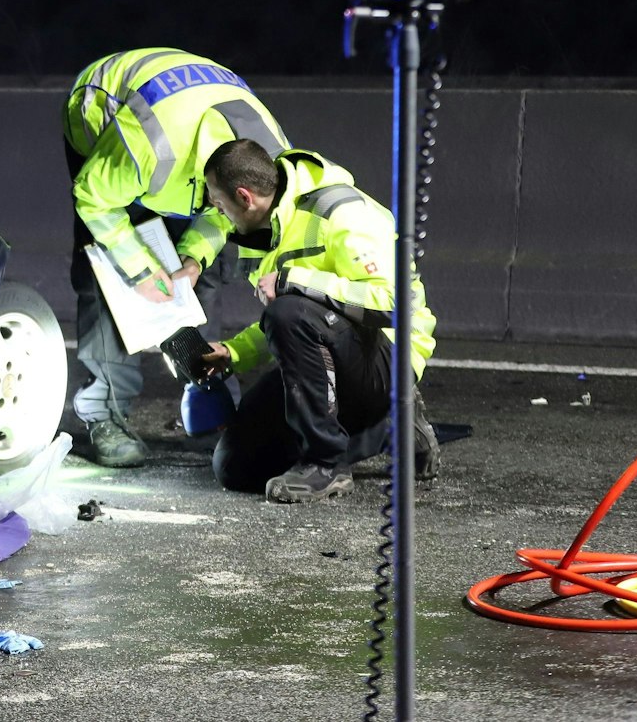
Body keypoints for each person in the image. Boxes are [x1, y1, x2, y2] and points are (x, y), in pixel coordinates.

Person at [64, 49, 289, 466]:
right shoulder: (146, 143)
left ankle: (210, 406)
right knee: (109, 272)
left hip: (185, 150)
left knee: (208, 270)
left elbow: (226, 216)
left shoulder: (269, 157)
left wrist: (194, 257)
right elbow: (93, 199)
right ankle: (104, 411)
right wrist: (139, 268)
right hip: (106, 120)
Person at [194, 139, 442, 503]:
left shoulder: (341, 212)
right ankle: (386, 429)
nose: (218, 213)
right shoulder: (264, 230)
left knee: (288, 308)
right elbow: (297, 327)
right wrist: (233, 353)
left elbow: (394, 302)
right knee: (235, 466)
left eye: (219, 203)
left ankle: (326, 466)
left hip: (387, 359)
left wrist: (296, 280)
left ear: (245, 198)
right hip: (335, 359)